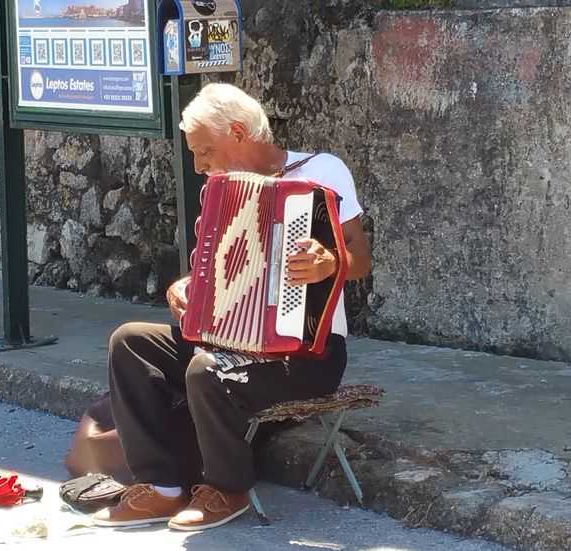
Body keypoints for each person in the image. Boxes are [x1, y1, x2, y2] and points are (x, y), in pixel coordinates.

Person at [92, 83, 372, 531]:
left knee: (206, 370)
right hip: (231, 344)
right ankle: (161, 487)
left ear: (238, 132)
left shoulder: (322, 170)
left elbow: (361, 259)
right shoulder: (222, 192)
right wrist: (184, 288)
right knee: (130, 342)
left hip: (308, 353)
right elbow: (217, 271)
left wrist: (331, 262)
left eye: (204, 152)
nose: (199, 166)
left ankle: (227, 490)